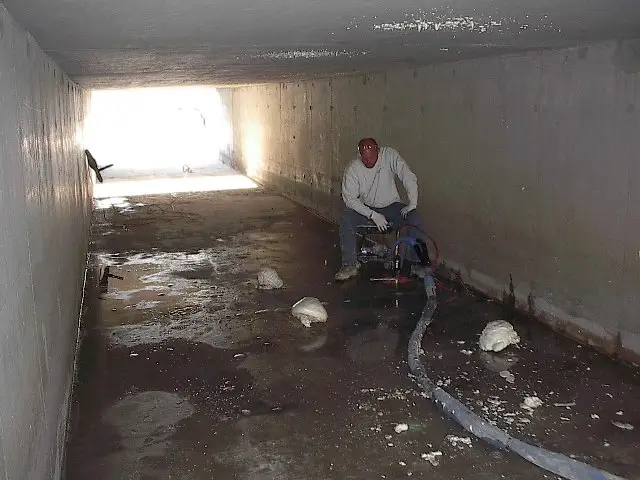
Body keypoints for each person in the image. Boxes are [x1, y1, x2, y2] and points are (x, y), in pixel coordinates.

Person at [335, 137, 426, 281]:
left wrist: (412, 203)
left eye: (372, 158)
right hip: (367, 208)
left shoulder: (389, 156)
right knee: (346, 218)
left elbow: (407, 175)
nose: (368, 162)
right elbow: (350, 199)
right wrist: (372, 215)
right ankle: (350, 264)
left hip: (392, 206)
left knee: (415, 217)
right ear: (359, 155)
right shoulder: (353, 168)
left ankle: (417, 264)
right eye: (364, 159)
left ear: (378, 151)